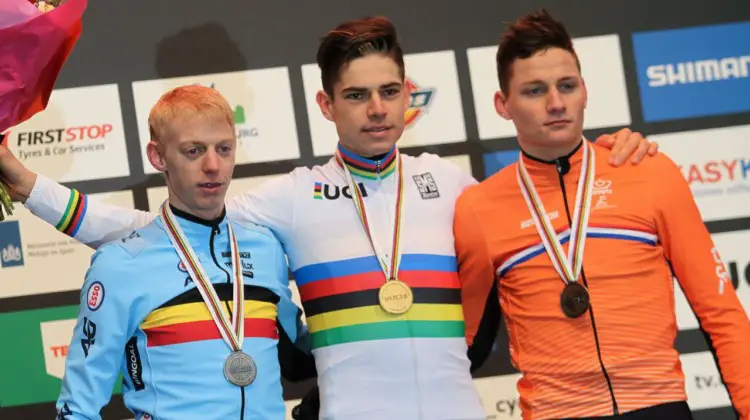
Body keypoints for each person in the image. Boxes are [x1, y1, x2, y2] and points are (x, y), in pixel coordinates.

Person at [0, 17, 656, 420]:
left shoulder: (454, 184)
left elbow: (545, 206)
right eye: (356, 94)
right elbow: (156, 234)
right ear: (325, 104)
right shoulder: (290, 198)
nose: (376, 109)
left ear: (410, 98)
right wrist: (28, 185)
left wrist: (617, 155)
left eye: (389, 91)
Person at [454, 9, 750, 420]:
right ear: (503, 105)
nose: (556, 103)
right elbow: (464, 346)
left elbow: (720, 313)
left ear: (585, 90)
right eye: (535, 90)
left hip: (657, 406)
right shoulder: (478, 207)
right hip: (556, 412)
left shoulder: (646, 171)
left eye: (567, 85)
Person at [53, 85, 315, 420]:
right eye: (193, 151)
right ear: (158, 156)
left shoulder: (264, 248)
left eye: (224, 148)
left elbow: (300, 356)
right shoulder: (121, 264)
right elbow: (78, 409)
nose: (212, 165)